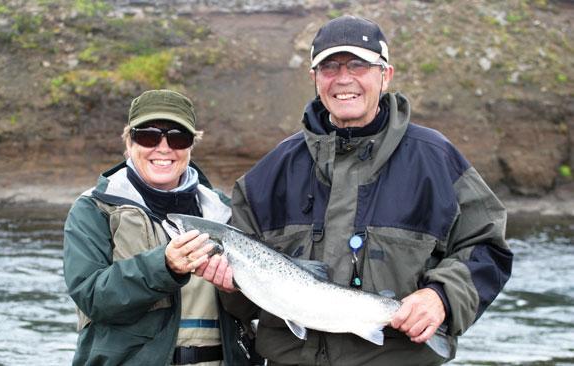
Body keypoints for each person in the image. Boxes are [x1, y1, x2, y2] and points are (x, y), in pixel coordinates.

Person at [219, 15, 513, 365]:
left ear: (385, 75)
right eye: (329, 67)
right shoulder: (268, 174)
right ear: (314, 79)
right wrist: (229, 285)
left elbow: (488, 248)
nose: (344, 79)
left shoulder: (436, 159)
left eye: (358, 65)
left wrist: (442, 297)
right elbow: (243, 305)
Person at [63, 89, 249, 365]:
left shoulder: (224, 211)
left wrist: (235, 290)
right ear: (129, 143)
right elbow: (91, 296)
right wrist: (163, 266)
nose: (163, 148)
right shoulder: (94, 209)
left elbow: (253, 309)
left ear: (190, 146)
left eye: (178, 138)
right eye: (148, 136)